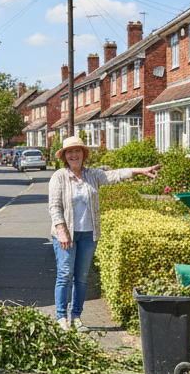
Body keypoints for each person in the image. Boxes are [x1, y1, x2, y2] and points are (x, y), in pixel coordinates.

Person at [48, 135, 162, 331]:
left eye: (77, 151)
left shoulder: (93, 175)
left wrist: (141, 171)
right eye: (69, 152)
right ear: (64, 156)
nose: (74, 155)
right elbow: (54, 206)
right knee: (65, 275)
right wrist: (61, 229)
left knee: (81, 277)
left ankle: (76, 317)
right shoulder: (59, 176)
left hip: (88, 235)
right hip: (65, 234)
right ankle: (61, 318)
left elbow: (115, 175)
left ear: (83, 154)